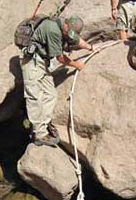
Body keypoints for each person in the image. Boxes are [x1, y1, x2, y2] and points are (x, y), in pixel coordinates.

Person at [21, 15, 96, 147]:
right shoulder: (53, 30)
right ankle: (39, 134)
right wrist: (77, 65)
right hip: (32, 62)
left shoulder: (66, 27)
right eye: (68, 31)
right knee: (34, 97)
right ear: (66, 24)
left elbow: (77, 40)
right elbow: (60, 58)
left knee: (51, 94)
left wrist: (90, 47)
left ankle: (45, 123)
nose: (69, 34)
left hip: (43, 62)